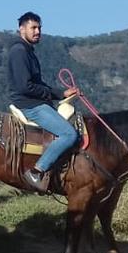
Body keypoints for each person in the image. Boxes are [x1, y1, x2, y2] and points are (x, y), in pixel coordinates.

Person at [7, 11, 79, 194]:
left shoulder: (28, 52)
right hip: (30, 105)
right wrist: (50, 95)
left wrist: (61, 93)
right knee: (69, 135)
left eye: (39, 27)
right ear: (21, 29)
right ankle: (37, 171)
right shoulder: (19, 51)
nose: (38, 31)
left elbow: (38, 84)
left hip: (35, 102)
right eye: (33, 27)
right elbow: (25, 87)